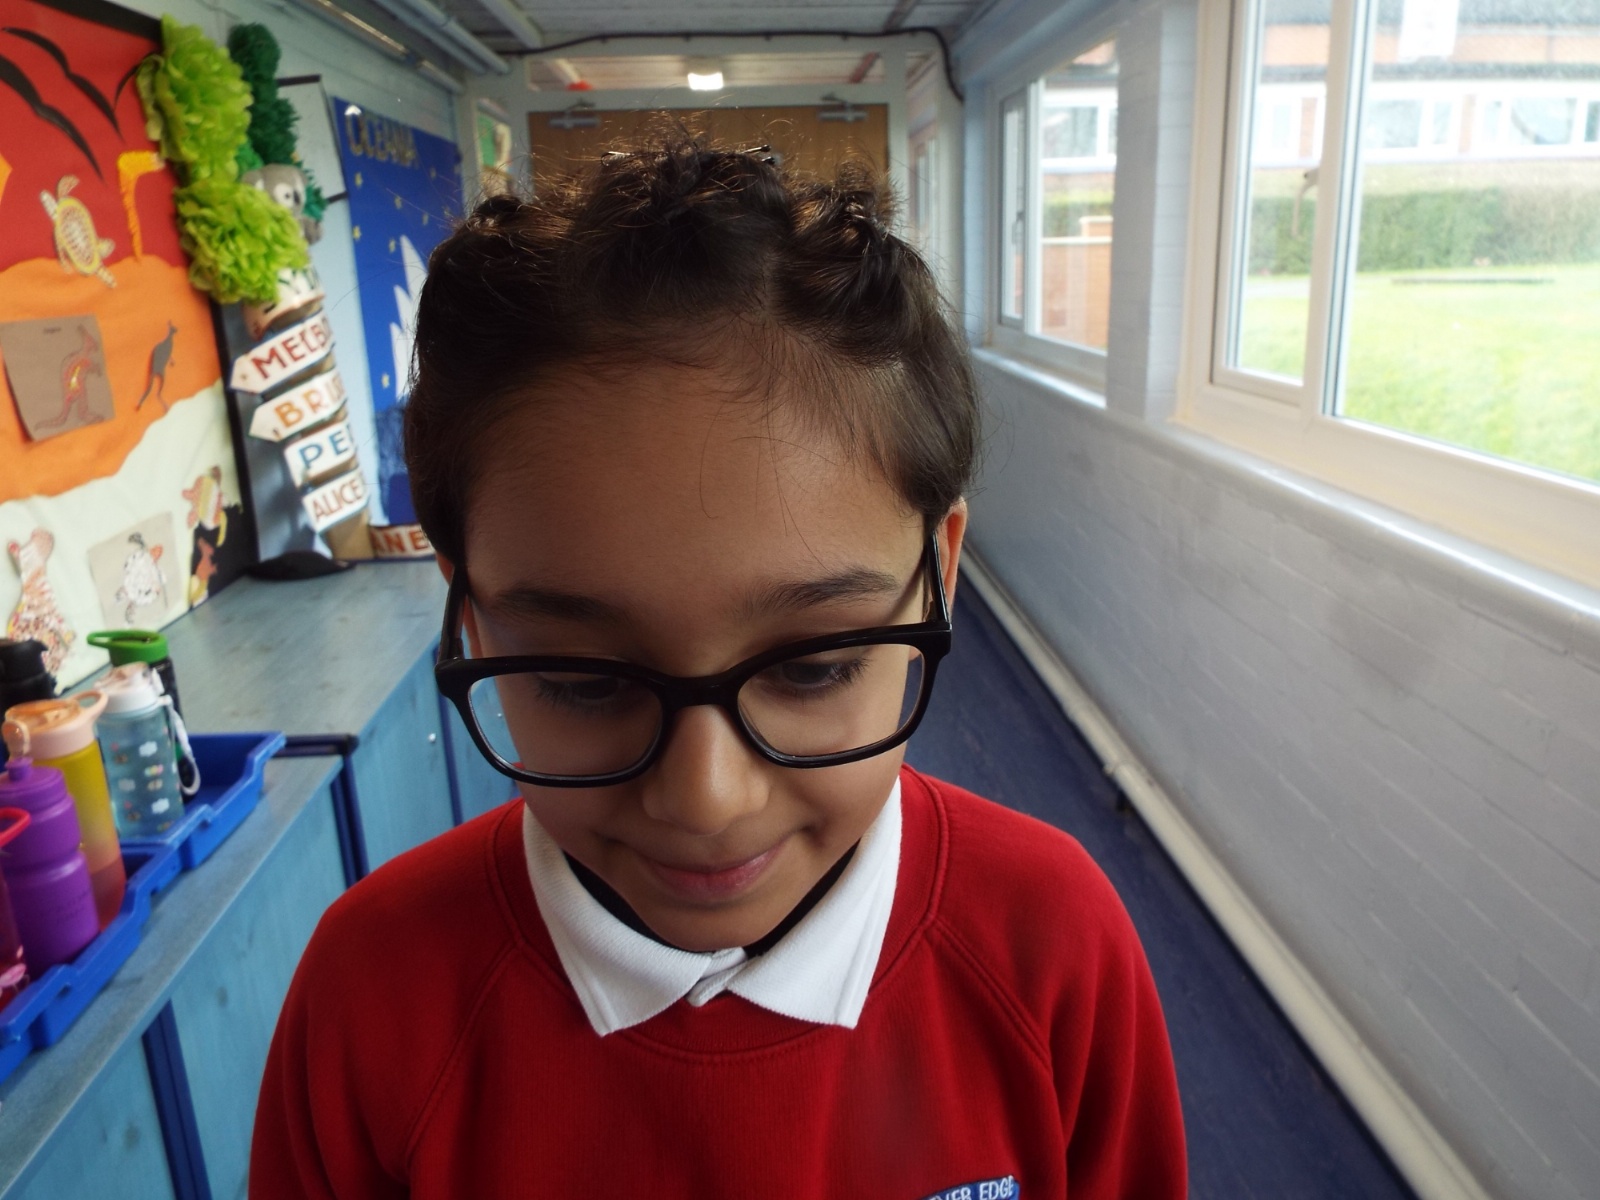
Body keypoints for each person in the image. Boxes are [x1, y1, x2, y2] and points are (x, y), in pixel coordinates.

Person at [251, 134, 1186, 1198]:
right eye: (585, 681)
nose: (705, 801)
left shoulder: (1052, 945)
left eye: (816, 667)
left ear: (938, 573)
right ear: (470, 612)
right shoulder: (372, 995)